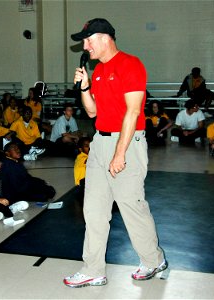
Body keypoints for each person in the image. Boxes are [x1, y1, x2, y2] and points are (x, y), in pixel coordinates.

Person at [64, 18, 167, 288]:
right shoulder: (97, 70)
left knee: (131, 206)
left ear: (105, 37)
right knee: (94, 210)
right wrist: (85, 87)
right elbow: (92, 111)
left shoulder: (130, 64)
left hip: (127, 143)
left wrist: (120, 153)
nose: (84, 46)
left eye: (88, 40)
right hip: (99, 143)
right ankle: (93, 268)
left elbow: (133, 111)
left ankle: (154, 260)